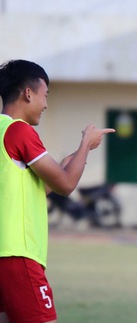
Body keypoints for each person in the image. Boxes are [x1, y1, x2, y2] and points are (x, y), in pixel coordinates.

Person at [0, 59, 114, 323]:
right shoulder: (19, 131)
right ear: (28, 92)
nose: (46, 104)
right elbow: (65, 184)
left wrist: (79, 153)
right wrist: (86, 143)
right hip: (18, 255)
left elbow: (45, 183)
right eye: (45, 94)